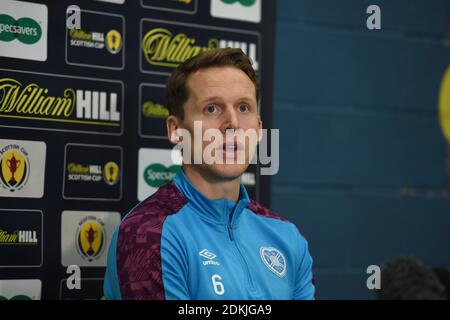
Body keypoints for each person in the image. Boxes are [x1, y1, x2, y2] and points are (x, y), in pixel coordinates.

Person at [103, 48, 316, 300]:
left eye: (244, 107)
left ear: (258, 129)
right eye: (212, 109)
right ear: (176, 130)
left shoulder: (286, 236)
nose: (233, 123)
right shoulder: (148, 234)